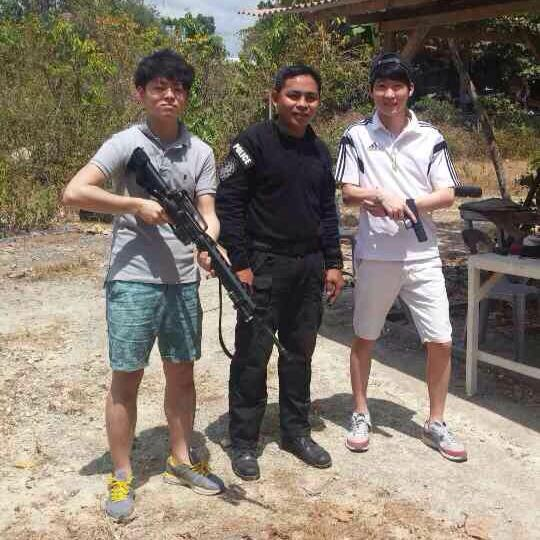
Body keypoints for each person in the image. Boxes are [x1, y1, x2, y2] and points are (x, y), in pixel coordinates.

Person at [62, 49, 223, 521]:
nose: (169, 95)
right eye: (159, 88)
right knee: (126, 378)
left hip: (182, 280)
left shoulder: (201, 151)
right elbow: (74, 192)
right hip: (132, 279)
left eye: (178, 89)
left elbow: (209, 214)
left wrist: (208, 243)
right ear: (141, 93)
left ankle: (180, 458)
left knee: (182, 375)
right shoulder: (124, 143)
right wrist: (134, 206)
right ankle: (121, 473)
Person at [335, 52, 467, 462]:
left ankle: (436, 421)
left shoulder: (430, 136)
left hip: (422, 255)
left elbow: (447, 193)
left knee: (441, 339)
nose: (389, 94)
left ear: (410, 90)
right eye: (381, 86)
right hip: (375, 254)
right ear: (372, 91)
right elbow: (348, 192)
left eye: (397, 86)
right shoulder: (356, 135)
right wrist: (379, 195)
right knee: (365, 336)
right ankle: (360, 412)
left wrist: (409, 203)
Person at [215, 64, 344, 481]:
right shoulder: (251, 143)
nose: (302, 104)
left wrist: (334, 262)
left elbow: (328, 213)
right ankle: (243, 441)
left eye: (310, 97)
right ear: (275, 97)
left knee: (299, 354)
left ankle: (296, 432)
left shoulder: (320, 151)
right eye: (293, 95)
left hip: (308, 267)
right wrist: (240, 264)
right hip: (263, 265)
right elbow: (229, 205)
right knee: (253, 356)